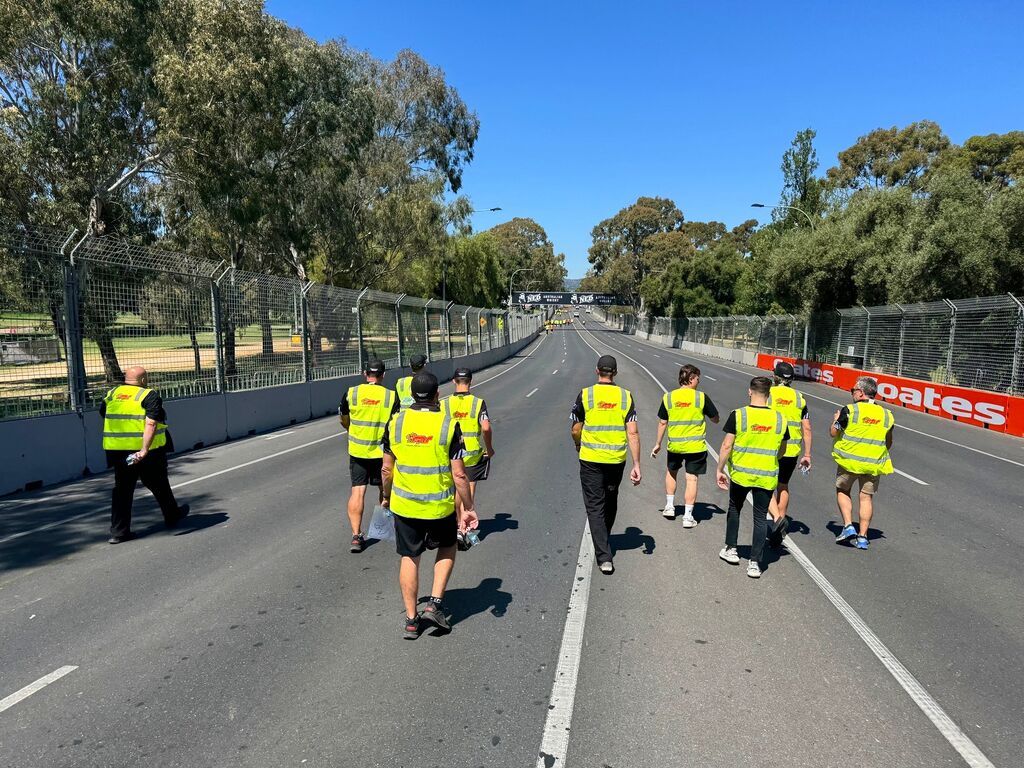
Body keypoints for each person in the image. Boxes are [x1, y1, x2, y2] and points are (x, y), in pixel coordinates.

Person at [381, 372, 476, 640]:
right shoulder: (447, 425)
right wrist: (467, 507)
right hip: (439, 506)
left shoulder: (396, 423)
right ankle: (434, 603)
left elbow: (386, 469)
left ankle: (411, 620)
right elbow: (459, 474)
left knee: (410, 556)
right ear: (437, 395)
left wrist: (386, 496)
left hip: (406, 505)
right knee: (447, 546)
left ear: (411, 394)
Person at [99, 366, 189, 544]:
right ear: (142, 381)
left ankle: (119, 532)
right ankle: (172, 515)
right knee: (159, 484)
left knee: (122, 490)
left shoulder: (112, 394)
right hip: (148, 452)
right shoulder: (148, 395)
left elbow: (104, 413)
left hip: (118, 451)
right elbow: (151, 424)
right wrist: (144, 449)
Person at [570, 354, 642, 575]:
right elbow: (633, 432)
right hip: (616, 460)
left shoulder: (586, 395)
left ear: (597, 371)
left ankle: (603, 555)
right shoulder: (625, 397)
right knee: (610, 500)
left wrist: (578, 445)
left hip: (590, 459)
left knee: (595, 506)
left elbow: (575, 428)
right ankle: (604, 542)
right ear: (615, 373)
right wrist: (637, 463)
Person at [715, 376, 788, 579]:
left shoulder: (738, 415)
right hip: (765, 475)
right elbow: (782, 448)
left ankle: (731, 549)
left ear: (750, 391)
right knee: (760, 517)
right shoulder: (780, 418)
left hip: (741, 474)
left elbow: (727, 446)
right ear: (769, 394)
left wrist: (720, 469)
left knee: (734, 509)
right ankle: (755, 562)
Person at [339, 359, 398, 553]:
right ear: (383, 375)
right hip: (381, 451)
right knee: (384, 488)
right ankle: (382, 526)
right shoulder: (390, 396)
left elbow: (344, 419)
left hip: (358, 451)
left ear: (365, 374)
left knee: (357, 491)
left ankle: (356, 536)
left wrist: (352, 429)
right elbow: (395, 424)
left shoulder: (351, 393)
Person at [650, 363, 720, 527]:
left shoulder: (669, 397)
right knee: (692, 479)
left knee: (671, 472)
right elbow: (715, 419)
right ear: (691, 379)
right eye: (697, 378)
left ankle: (669, 507)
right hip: (695, 447)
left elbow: (662, 422)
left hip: (675, 445)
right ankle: (688, 517)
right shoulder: (701, 397)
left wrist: (658, 444)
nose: (699, 381)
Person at [830, 376, 895, 551]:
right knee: (866, 498)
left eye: (853, 390)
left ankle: (848, 525)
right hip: (873, 464)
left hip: (849, 462)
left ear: (860, 393)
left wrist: (836, 418)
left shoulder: (850, 410)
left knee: (843, 490)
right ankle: (863, 537)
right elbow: (888, 442)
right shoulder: (886, 415)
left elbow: (833, 432)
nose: (852, 393)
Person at [442, 367, 495, 548]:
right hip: (471, 455)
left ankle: (458, 523)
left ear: (454, 381)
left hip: (450, 454)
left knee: (457, 488)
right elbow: (486, 427)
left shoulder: (445, 403)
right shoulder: (478, 403)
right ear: (471, 381)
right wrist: (490, 449)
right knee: (468, 491)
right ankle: (463, 529)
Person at [766, 361, 812, 547]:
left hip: (770, 447)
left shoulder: (768, 393)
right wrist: (807, 454)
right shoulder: (800, 398)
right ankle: (781, 519)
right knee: (783, 485)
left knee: (766, 485)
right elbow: (806, 427)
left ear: (774, 375)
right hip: (792, 450)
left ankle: (776, 519)